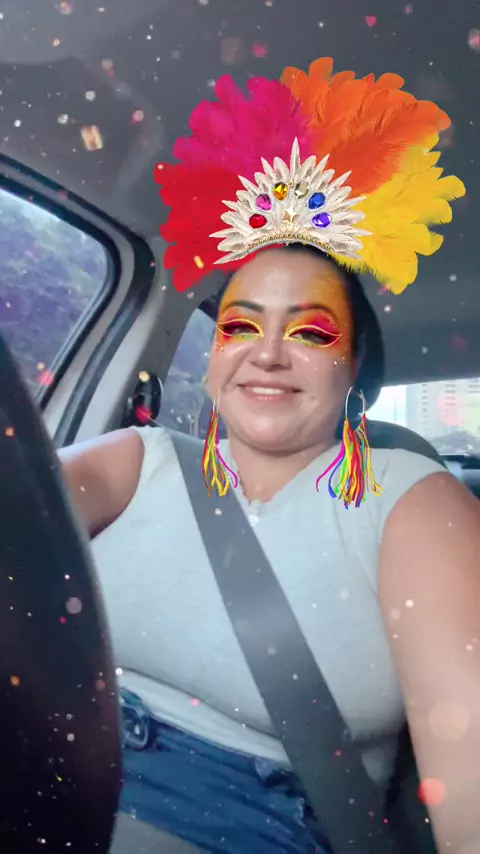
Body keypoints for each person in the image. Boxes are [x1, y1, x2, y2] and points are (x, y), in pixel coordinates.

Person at [60, 57, 480, 854]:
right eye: (241, 324)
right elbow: (24, 517)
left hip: (238, 820)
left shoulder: (413, 500)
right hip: (47, 752)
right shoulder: (139, 457)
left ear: (354, 366)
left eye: (311, 330)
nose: (268, 352)